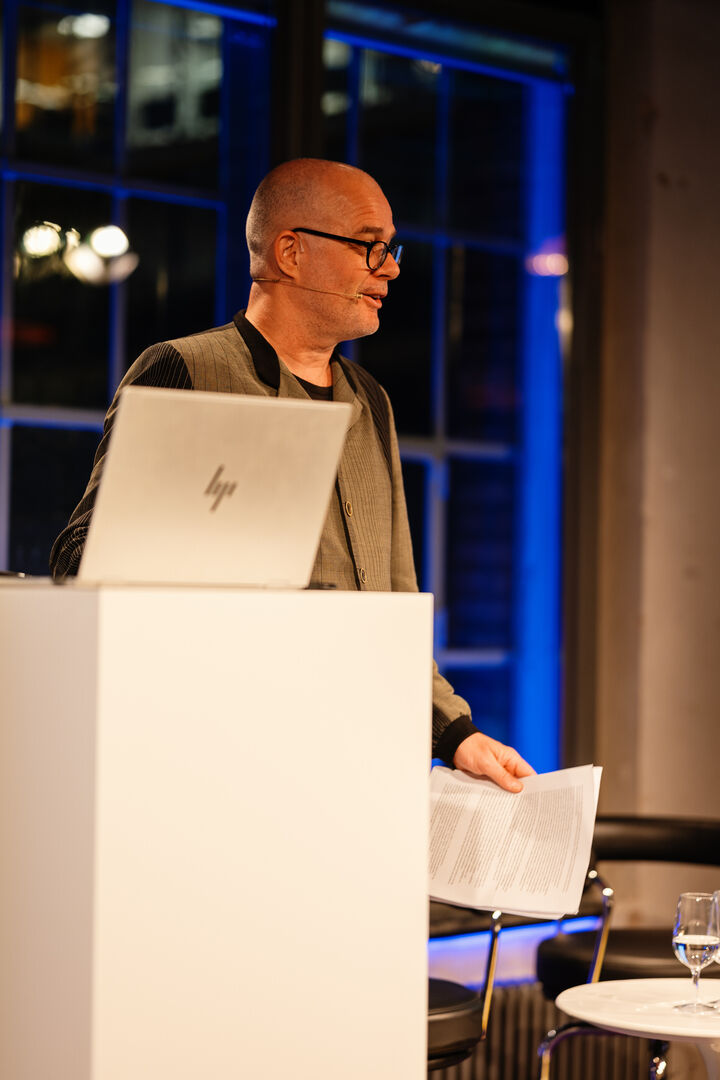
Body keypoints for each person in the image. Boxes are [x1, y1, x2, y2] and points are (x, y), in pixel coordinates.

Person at [50, 157, 534, 792]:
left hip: (355, 765)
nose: (390, 268)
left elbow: (395, 601)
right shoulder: (184, 369)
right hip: (219, 762)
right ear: (290, 253)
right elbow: (78, 559)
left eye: (391, 249)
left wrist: (456, 735)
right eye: (369, 246)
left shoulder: (371, 401)